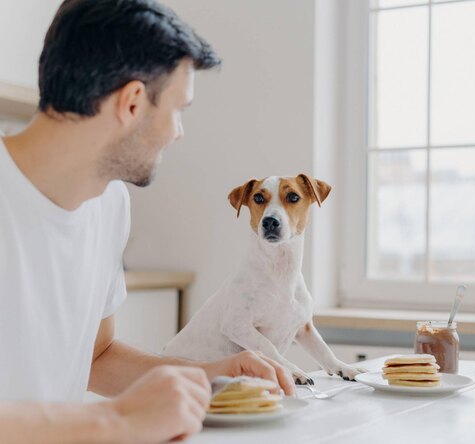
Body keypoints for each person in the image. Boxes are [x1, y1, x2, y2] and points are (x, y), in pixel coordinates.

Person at [0, 0, 295, 442]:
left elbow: (96, 356)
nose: (179, 131)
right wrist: (115, 422)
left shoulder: (110, 203)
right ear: (133, 102)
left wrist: (209, 376)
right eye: (178, 109)